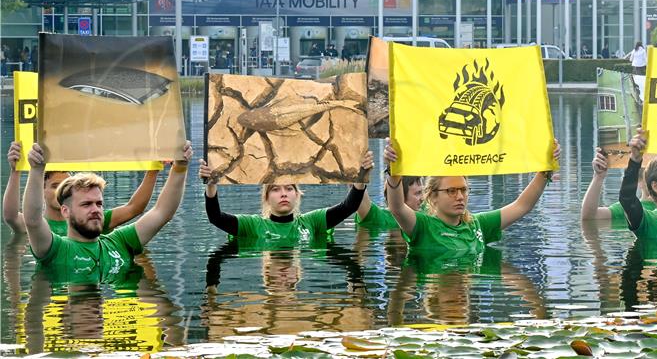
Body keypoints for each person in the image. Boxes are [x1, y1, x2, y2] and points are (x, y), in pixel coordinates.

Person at [22, 141, 193, 281]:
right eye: (86, 204)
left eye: (99, 204)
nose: (95, 209)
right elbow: (33, 220)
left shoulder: (119, 241)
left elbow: (162, 212)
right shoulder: (56, 249)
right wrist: (37, 169)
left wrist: (180, 167)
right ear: (66, 211)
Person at [383, 139, 560, 256]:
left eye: (464, 190)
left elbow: (522, 206)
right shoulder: (423, 226)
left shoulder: (477, 224)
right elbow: (397, 207)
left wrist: (544, 170)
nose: (460, 196)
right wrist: (394, 171)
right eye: (451, 191)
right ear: (433, 196)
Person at [200, 151, 374, 247]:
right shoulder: (252, 225)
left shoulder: (312, 222)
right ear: (266, 198)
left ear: (297, 195)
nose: (283, 193)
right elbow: (216, 217)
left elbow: (348, 207)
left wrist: (360, 178)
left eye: (289, 188)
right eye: (275, 189)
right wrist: (211, 185)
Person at [3, 141, 161, 236]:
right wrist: (15, 170)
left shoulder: (91, 218)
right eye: (55, 186)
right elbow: (10, 216)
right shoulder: (33, 223)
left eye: (66, 185)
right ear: (42, 190)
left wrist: (153, 169)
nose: (61, 190)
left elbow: (134, 208)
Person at [355, 175, 424, 230]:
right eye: (418, 193)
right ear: (399, 196)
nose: (423, 198)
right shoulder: (379, 218)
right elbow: (358, 193)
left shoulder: (426, 211)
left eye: (423, 192)